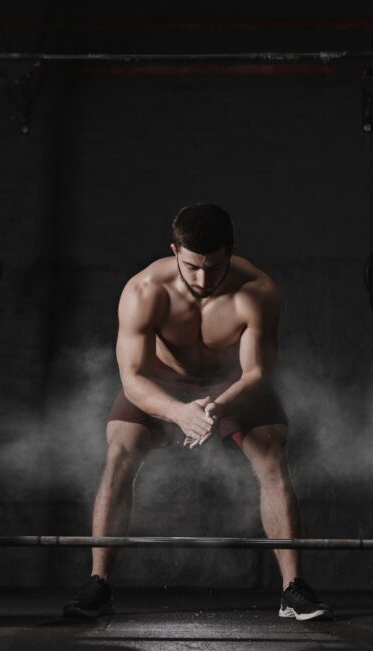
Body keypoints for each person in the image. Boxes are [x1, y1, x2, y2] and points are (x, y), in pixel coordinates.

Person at [63, 203, 332, 621]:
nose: (203, 279)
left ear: (231, 251)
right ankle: (98, 584)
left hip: (234, 385)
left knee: (272, 454)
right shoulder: (144, 291)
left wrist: (217, 406)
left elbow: (257, 374)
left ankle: (292, 589)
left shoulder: (257, 290)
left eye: (214, 266)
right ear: (174, 250)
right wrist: (178, 412)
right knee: (119, 449)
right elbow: (132, 378)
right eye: (192, 267)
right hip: (160, 382)